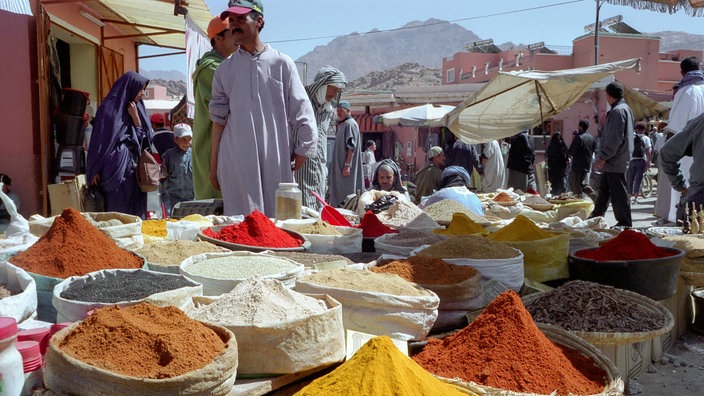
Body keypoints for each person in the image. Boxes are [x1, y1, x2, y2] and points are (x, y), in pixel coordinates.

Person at [209, 1, 318, 217]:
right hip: (237, 159)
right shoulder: (224, 70)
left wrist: (304, 147)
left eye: (241, 19)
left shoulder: (282, 63)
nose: (235, 25)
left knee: (278, 222)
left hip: (275, 157)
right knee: (241, 223)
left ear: (259, 21)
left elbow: (301, 108)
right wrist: (214, 165)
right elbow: (218, 120)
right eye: (232, 20)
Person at [86, 71, 152, 218]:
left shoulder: (139, 110)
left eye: (144, 90)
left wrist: (136, 119)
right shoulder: (108, 110)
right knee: (116, 212)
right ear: (130, 88)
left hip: (134, 172)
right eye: (140, 89)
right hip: (113, 171)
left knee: (135, 212)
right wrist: (94, 169)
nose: (142, 94)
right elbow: (99, 142)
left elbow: (145, 141)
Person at [191, 16, 239, 200]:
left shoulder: (222, 66)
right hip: (212, 152)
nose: (237, 37)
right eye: (232, 32)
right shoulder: (213, 69)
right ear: (218, 38)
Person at [655, 56, 704, 224]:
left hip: (688, 152)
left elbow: (675, 130)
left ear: (682, 73)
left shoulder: (685, 91)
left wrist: (681, 186)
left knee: (684, 199)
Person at [295, 66, 347, 210]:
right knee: (302, 206)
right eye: (334, 89)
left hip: (319, 166)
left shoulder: (327, 109)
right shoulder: (300, 100)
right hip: (300, 167)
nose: (336, 94)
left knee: (318, 206)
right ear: (323, 85)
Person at [588, 81, 634, 227]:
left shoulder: (617, 111)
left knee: (618, 193)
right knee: (604, 191)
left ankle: (624, 223)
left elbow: (615, 138)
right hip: (616, 159)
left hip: (615, 160)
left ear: (608, 95)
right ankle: (595, 218)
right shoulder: (625, 109)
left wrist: (603, 157)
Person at [659, 112, 704, 223]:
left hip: (699, 201)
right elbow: (667, 154)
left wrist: (681, 186)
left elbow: (666, 153)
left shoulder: (700, 121)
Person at [328, 101, 363, 207]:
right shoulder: (343, 124)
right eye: (337, 111)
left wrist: (347, 165)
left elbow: (351, 147)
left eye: (341, 111)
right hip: (339, 167)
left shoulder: (350, 124)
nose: (338, 113)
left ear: (348, 111)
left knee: (347, 193)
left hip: (345, 168)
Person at [161, 123, 195, 216]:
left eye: (189, 139)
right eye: (183, 139)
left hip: (191, 199)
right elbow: (163, 178)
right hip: (172, 200)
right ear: (176, 139)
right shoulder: (168, 156)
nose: (187, 143)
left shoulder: (194, 155)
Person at [568, 119, 597, 198]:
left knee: (576, 185)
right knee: (584, 184)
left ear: (580, 126)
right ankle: (595, 197)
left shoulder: (579, 137)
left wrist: (568, 156)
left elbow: (571, 151)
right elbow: (595, 150)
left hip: (577, 165)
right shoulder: (592, 138)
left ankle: (578, 202)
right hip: (587, 165)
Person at [626, 121, 652, 204]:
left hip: (632, 160)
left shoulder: (632, 137)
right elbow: (648, 151)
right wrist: (648, 162)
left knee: (630, 179)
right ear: (644, 130)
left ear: (636, 129)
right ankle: (636, 198)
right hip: (641, 160)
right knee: (638, 179)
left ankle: (629, 197)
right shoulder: (646, 138)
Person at [546, 131, 570, 196]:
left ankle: (557, 194)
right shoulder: (561, 145)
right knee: (559, 182)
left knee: (557, 182)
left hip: (556, 168)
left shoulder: (554, 145)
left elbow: (548, 155)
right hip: (558, 168)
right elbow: (566, 154)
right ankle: (559, 193)